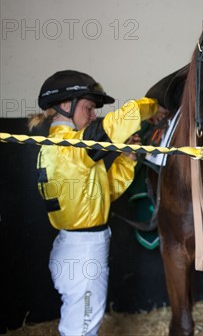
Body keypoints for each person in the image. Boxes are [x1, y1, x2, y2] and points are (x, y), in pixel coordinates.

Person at [28, 70, 161, 336]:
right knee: (82, 329)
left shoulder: (63, 149)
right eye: (88, 108)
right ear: (66, 105)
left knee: (80, 325)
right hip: (83, 251)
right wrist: (155, 106)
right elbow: (119, 122)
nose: (92, 116)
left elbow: (104, 192)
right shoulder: (69, 146)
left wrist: (126, 159)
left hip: (75, 245)